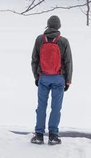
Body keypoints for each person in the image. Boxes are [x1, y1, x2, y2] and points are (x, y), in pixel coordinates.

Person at [30, 15, 73, 145]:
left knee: (41, 106)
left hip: (43, 77)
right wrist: (68, 81)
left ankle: (39, 135)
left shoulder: (40, 39)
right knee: (56, 107)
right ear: (59, 26)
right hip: (59, 78)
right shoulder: (63, 41)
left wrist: (37, 77)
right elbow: (68, 62)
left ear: (48, 25)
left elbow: (34, 60)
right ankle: (53, 136)